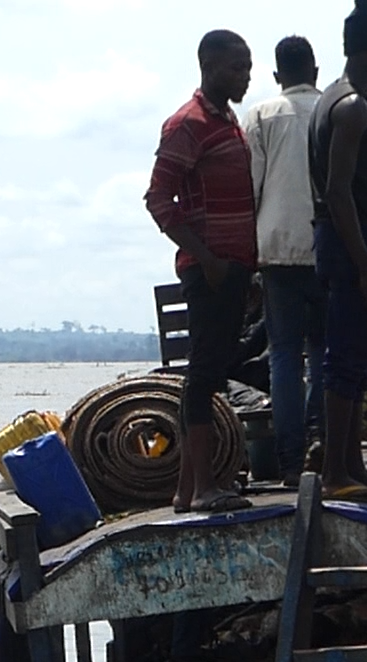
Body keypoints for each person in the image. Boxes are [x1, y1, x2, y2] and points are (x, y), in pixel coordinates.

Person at [145, 29, 257, 513]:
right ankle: (203, 486)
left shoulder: (229, 120)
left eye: (248, 67)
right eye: (237, 67)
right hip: (208, 269)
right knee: (205, 372)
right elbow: (158, 199)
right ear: (208, 66)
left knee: (212, 371)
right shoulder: (187, 124)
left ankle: (188, 491)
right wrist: (207, 259)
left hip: (235, 269)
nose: (246, 76)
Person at [309, 0, 367, 503]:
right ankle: (336, 472)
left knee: (356, 358)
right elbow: (338, 190)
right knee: (345, 360)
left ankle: (350, 467)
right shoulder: (352, 109)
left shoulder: (332, 99)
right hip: (349, 244)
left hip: (342, 240)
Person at [242, 36, 327, 488]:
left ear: (277, 76)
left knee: (285, 358)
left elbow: (250, 187)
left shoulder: (260, 115)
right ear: (316, 69)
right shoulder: (338, 109)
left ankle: (292, 463)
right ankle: (322, 444)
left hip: (276, 250)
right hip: (329, 248)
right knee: (325, 354)